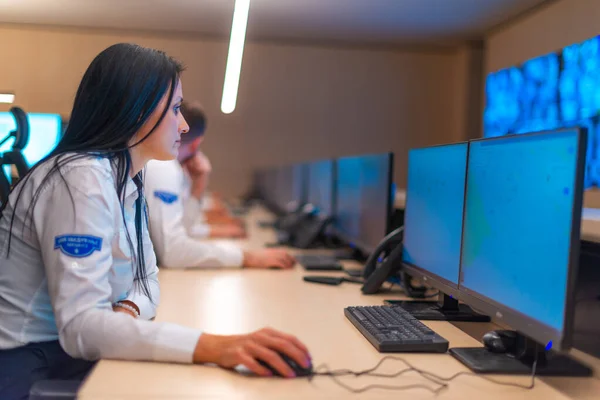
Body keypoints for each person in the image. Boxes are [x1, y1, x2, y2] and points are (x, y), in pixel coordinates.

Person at [0, 43, 311, 399]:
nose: (182, 125)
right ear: (136, 110)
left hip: (63, 351)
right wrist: (215, 347)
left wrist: (127, 310)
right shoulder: (80, 179)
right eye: (176, 109)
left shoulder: (126, 177)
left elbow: (148, 278)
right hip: (29, 362)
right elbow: (82, 328)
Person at [144, 102, 296, 269]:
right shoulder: (163, 167)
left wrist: (198, 186)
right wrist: (246, 257)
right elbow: (173, 252)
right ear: (196, 143)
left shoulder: (168, 167)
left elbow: (183, 231)